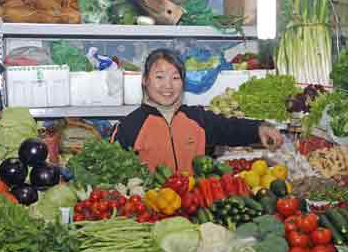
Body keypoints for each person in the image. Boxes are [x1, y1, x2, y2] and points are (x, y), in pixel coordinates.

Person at [110, 48, 283, 173]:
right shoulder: (129, 127)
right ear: (145, 80)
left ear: (183, 83)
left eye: (175, 78)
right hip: (148, 213)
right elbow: (112, 172)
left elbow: (229, 127)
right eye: (159, 77)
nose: (168, 85)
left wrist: (259, 127)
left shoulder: (197, 118)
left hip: (192, 210)